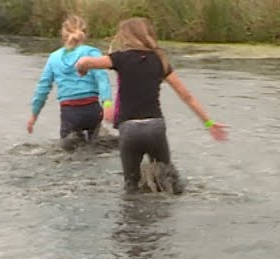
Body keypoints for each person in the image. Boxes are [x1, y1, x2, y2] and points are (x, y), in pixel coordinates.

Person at [75, 17, 228, 190]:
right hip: (155, 127)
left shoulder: (120, 58)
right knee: (168, 182)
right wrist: (209, 123)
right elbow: (187, 96)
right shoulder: (160, 60)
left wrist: (82, 70)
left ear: (125, 37)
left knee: (131, 185)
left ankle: (133, 214)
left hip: (129, 129)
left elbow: (83, 62)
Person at [27, 15, 113, 146]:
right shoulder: (92, 52)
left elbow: (43, 88)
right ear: (85, 33)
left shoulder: (54, 58)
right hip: (92, 110)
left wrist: (34, 116)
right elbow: (102, 78)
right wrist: (107, 104)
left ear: (63, 35)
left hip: (70, 112)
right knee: (96, 148)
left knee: (68, 151)